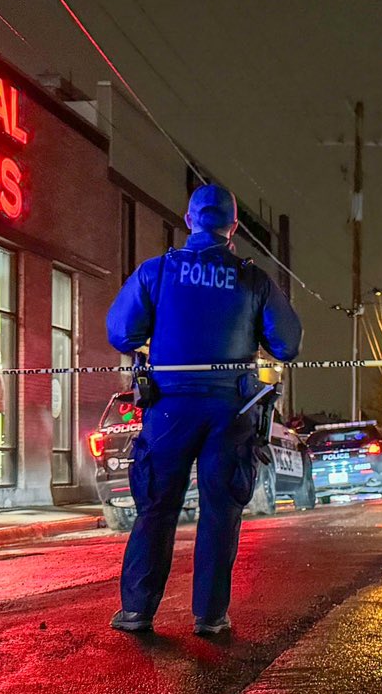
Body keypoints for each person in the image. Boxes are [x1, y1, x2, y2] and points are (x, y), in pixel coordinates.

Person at [106, 184, 301, 636]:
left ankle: (137, 610)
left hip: (169, 409)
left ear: (188, 219)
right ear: (233, 227)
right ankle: (210, 615)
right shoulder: (252, 279)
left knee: (156, 507)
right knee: (220, 511)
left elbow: (121, 331)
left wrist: (153, 343)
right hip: (230, 413)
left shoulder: (157, 272)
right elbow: (287, 344)